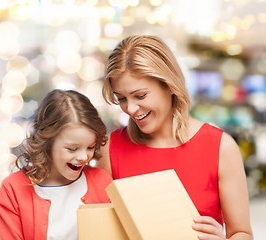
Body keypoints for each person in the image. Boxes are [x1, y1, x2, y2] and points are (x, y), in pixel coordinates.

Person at [99, 35, 253, 240]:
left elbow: (241, 233)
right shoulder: (110, 150)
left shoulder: (220, 147)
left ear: (169, 85)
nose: (131, 108)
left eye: (140, 95)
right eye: (121, 98)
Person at [0, 89, 113, 240]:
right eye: (72, 149)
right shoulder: (12, 189)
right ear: (48, 143)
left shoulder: (102, 182)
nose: (84, 156)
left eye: (90, 147)